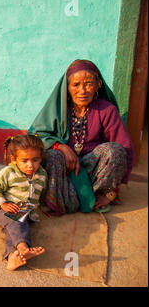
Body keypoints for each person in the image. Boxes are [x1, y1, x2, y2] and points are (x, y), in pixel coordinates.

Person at [28, 59, 134, 215]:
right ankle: (66, 198)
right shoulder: (58, 109)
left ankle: (97, 195)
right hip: (64, 171)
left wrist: (111, 194)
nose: (82, 90)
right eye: (76, 85)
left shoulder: (107, 110)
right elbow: (35, 137)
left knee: (115, 150)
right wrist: (61, 147)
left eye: (89, 84)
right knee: (52, 155)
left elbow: (124, 148)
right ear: (67, 87)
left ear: (98, 85)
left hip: (94, 171)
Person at [0, 134, 47, 271]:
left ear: (41, 158)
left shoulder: (42, 174)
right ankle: (23, 247)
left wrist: (44, 207)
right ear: (14, 160)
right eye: (24, 161)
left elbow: (41, 193)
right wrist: (2, 203)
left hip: (25, 211)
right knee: (15, 221)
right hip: (3, 208)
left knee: (15, 229)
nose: (30, 165)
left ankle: (12, 258)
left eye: (35, 160)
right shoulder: (8, 173)